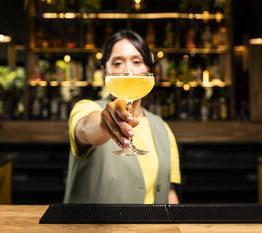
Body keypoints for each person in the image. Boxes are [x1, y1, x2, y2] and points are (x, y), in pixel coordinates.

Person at [63, 30, 181, 204]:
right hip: (93, 231)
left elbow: (169, 193)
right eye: (118, 63)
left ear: (149, 69)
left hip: (149, 231)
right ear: (105, 72)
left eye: (137, 61)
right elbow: (85, 128)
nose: (128, 70)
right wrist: (105, 123)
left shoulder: (163, 128)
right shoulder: (86, 108)